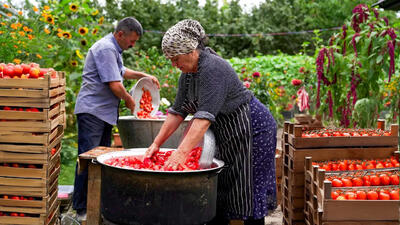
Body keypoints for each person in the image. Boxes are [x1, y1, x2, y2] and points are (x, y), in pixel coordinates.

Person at [145, 19, 277, 225]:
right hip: (230, 133)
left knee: (248, 193)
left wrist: (180, 154)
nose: (173, 64)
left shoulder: (213, 68)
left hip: (253, 129)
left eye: (175, 58)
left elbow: (203, 119)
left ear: (190, 51)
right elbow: (176, 112)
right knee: (223, 188)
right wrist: (156, 144)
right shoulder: (188, 75)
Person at [73, 17, 159, 221]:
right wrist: (131, 101)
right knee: (87, 160)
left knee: (98, 160)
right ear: (121, 34)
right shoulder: (106, 49)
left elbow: (121, 72)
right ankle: (81, 208)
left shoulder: (114, 50)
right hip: (93, 112)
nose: (133, 45)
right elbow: (114, 84)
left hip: (101, 113)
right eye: (132, 40)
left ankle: (93, 203)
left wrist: (142, 75)